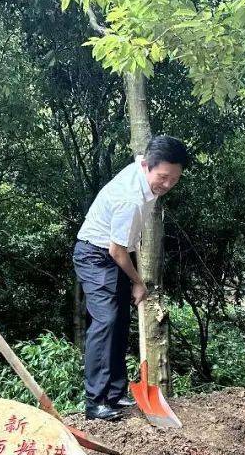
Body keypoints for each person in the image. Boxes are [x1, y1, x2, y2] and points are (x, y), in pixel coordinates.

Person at [73, 135, 189, 421]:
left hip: (113, 255)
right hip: (96, 255)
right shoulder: (131, 198)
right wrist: (138, 282)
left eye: (174, 179)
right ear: (147, 166)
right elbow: (117, 251)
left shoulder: (143, 170)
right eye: (163, 177)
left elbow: (123, 246)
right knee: (106, 321)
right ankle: (96, 401)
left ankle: (114, 393)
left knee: (121, 321)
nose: (167, 185)